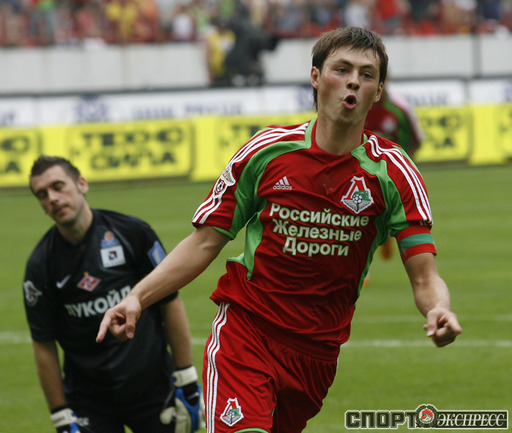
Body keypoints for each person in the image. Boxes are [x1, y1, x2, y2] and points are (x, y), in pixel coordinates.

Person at [97, 26, 462, 433]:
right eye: (342, 69)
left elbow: (425, 276)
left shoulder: (394, 173)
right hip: (246, 332)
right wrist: (137, 297)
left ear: (378, 92)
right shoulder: (268, 151)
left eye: (366, 74)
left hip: (316, 354)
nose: (353, 81)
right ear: (315, 77)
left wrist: (438, 308)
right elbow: (204, 242)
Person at [23, 155, 203, 433]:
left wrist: (186, 377)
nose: (53, 199)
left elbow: (170, 301)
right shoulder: (41, 265)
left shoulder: (132, 233)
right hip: (88, 400)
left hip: (153, 387)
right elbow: (43, 342)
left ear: (82, 184)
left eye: (58, 187)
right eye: (42, 195)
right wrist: (60, 415)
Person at [363, 82, 424, 266]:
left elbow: (415, 140)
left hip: (392, 174)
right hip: (362, 173)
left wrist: (406, 166)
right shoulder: (356, 110)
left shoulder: (398, 110)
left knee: (389, 212)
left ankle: (387, 233)